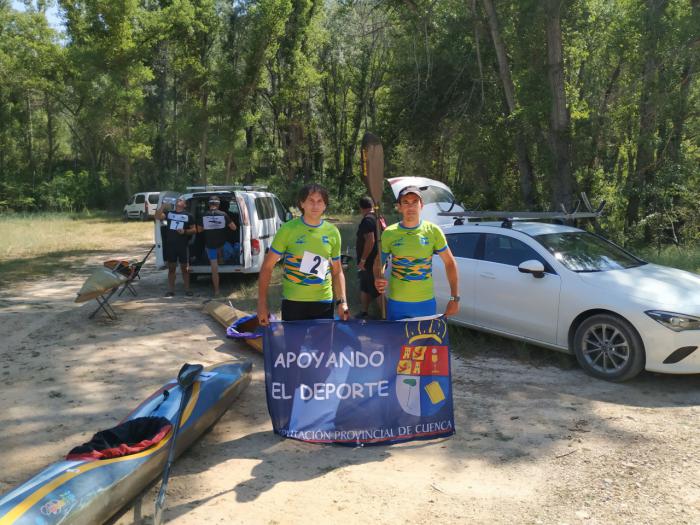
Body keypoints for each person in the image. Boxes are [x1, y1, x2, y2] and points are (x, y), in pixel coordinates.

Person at [257, 184, 350, 325]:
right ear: (302, 203)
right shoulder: (288, 229)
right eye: (310, 200)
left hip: (323, 302)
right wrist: (262, 304)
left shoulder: (333, 232)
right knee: (293, 348)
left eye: (320, 201)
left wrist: (342, 302)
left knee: (322, 348)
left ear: (325, 205)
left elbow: (337, 271)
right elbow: (267, 267)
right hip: (294, 303)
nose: (315, 205)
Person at [375, 186, 460, 321]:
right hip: (397, 304)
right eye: (406, 202)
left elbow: (450, 263)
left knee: (423, 343)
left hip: (425, 304)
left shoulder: (433, 231)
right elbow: (379, 262)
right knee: (397, 342)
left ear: (421, 206)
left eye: (415, 201)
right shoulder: (389, 233)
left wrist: (454, 297)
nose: (411, 206)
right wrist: (378, 277)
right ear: (399, 207)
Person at [155, 198, 196, 297]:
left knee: (184, 269)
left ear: (185, 205)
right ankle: (171, 291)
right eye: (178, 200)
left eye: (182, 200)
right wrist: (163, 205)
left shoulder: (188, 216)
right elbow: (157, 216)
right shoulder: (169, 213)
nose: (179, 200)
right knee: (171, 268)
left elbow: (194, 230)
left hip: (182, 245)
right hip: (171, 246)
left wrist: (185, 231)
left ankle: (187, 289)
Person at [197, 196, 237, 297]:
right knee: (234, 249)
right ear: (218, 205)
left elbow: (199, 230)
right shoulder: (223, 214)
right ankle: (223, 259)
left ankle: (217, 291)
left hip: (210, 246)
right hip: (223, 245)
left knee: (214, 270)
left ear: (209, 204)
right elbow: (234, 228)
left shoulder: (204, 215)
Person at [355, 196, 380, 318]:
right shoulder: (379, 217)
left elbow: (370, 240)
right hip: (377, 259)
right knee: (365, 286)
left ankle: (385, 316)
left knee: (376, 289)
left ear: (361, 208)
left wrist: (363, 260)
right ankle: (364, 312)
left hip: (370, 261)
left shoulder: (367, 220)